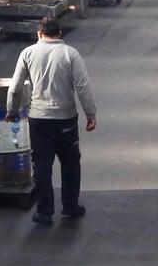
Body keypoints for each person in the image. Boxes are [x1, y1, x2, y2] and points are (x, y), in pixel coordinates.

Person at [7, 18, 98, 224]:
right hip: (65, 119)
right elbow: (83, 87)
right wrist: (90, 114)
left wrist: (11, 111)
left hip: (38, 120)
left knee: (41, 165)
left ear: (39, 34)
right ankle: (70, 206)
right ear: (60, 33)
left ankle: (44, 211)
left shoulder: (27, 53)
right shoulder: (70, 54)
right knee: (70, 163)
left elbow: (15, 88)